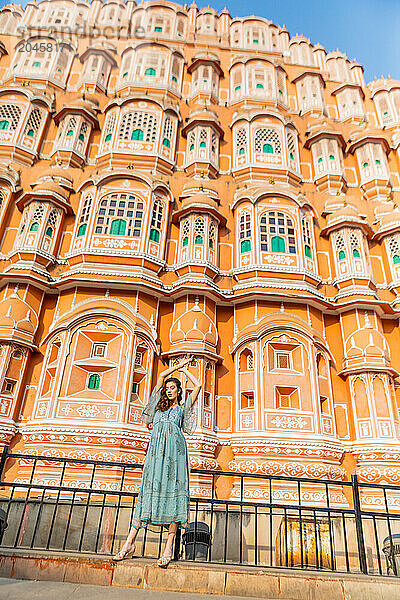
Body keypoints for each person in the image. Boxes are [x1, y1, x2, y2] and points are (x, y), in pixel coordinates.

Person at [113, 356, 201, 568]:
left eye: (173, 388)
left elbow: (198, 385)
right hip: (155, 456)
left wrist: (186, 370)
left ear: (179, 391)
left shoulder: (182, 408)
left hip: (176, 457)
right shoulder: (158, 408)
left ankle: (169, 547)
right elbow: (161, 377)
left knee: (173, 496)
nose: (169, 390)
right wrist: (176, 367)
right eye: (168, 388)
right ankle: (129, 543)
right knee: (147, 493)